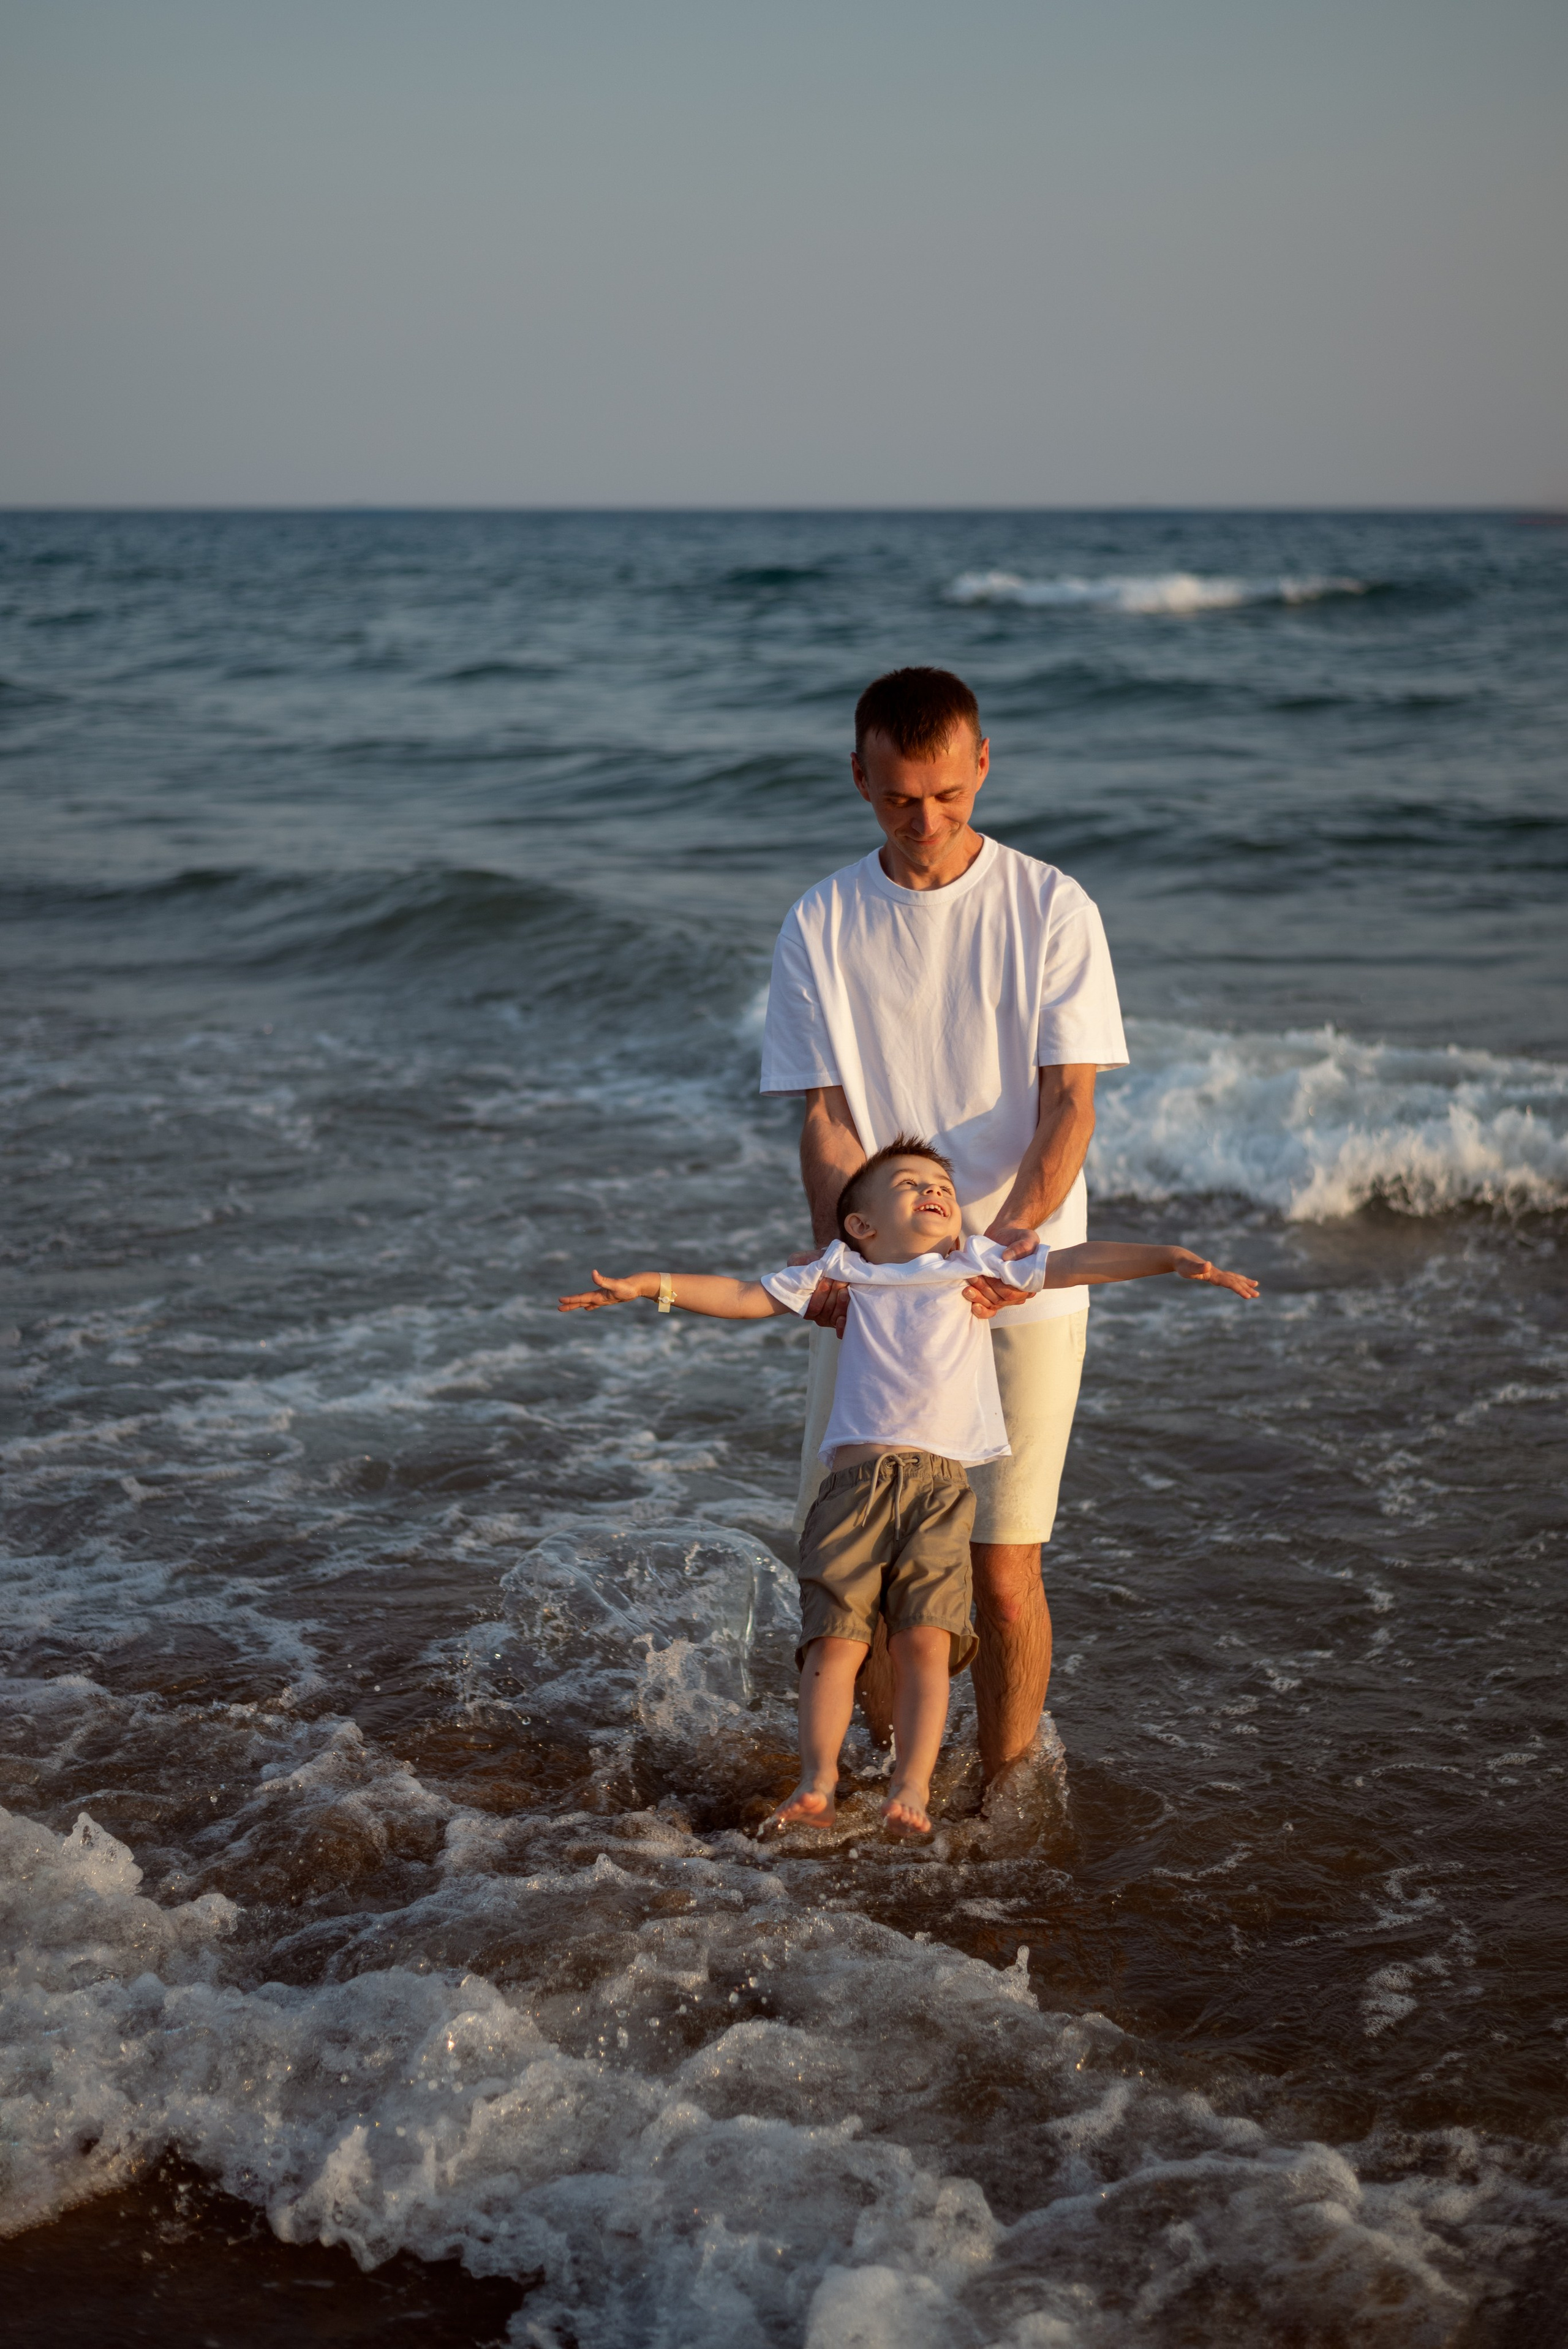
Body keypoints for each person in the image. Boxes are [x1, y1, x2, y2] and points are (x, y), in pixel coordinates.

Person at [559, 1141, 1258, 1838]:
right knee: (835, 1642)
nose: (933, 1189)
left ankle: (911, 1789)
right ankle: (817, 1783)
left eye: (940, 1184)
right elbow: (743, 1296)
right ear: (861, 1226)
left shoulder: (975, 1263)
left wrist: (1169, 1257)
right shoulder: (842, 1271)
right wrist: (651, 1285)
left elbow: (1076, 1262)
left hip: (938, 1490)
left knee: (927, 1640)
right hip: (851, 1490)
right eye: (908, 1183)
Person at [761, 666, 1129, 1784]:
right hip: (881, 1289)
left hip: (1019, 1281)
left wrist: (1007, 1247)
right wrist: (841, 1260)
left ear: (982, 766)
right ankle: (886, 1791)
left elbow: (1070, 1101)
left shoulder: (1051, 906)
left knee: (1004, 1566)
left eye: (947, 796)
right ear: (861, 777)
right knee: (860, 1570)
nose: (925, 821)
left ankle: (1000, 1794)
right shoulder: (822, 921)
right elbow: (826, 1119)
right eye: (898, 799)